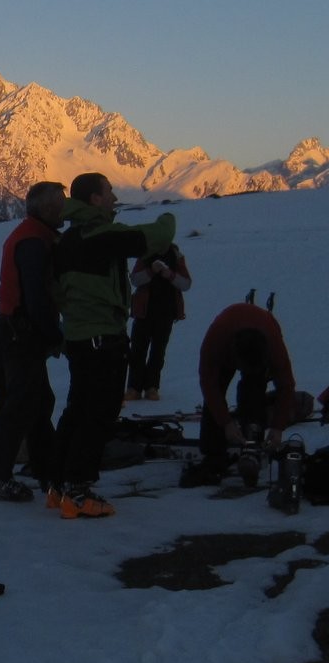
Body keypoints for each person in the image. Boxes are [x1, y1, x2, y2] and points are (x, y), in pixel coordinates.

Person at [49, 172, 175, 518]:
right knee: (99, 415)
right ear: (95, 199)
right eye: (109, 192)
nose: (115, 198)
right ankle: (78, 491)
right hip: (104, 338)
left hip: (77, 337)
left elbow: (56, 291)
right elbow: (156, 237)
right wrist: (169, 216)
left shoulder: (67, 240)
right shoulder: (103, 236)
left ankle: (57, 485)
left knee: (76, 410)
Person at [0, 181, 66, 502]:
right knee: (23, 404)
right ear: (46, 208)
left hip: (11, 329)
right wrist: (54, 335)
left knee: (34, 402)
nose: (64, 207)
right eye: (60, 202)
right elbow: (36, 297)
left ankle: (44, 468)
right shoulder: (33, 241)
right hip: (20, 333)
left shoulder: (34, 235)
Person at [179, 302, 297, 487]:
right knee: (216, 393)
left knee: (254, 389)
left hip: (260, 335)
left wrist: (277, 427)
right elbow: (209, 385)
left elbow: (286, 385)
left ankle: (252, 443)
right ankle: (214, 455)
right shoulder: (216, 341)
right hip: (226, 341)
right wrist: (225, 422)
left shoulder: (273, 344)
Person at [124, 244, 192, 401]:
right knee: (137, 350)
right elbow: (135, 279)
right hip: (144, 312)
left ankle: (151, 387)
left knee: (158, 352)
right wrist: (151, 271)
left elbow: (186, 283)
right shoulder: (146, 253)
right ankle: (134, 387)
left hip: (166, 312)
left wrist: (169, 274)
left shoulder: (176, 255)